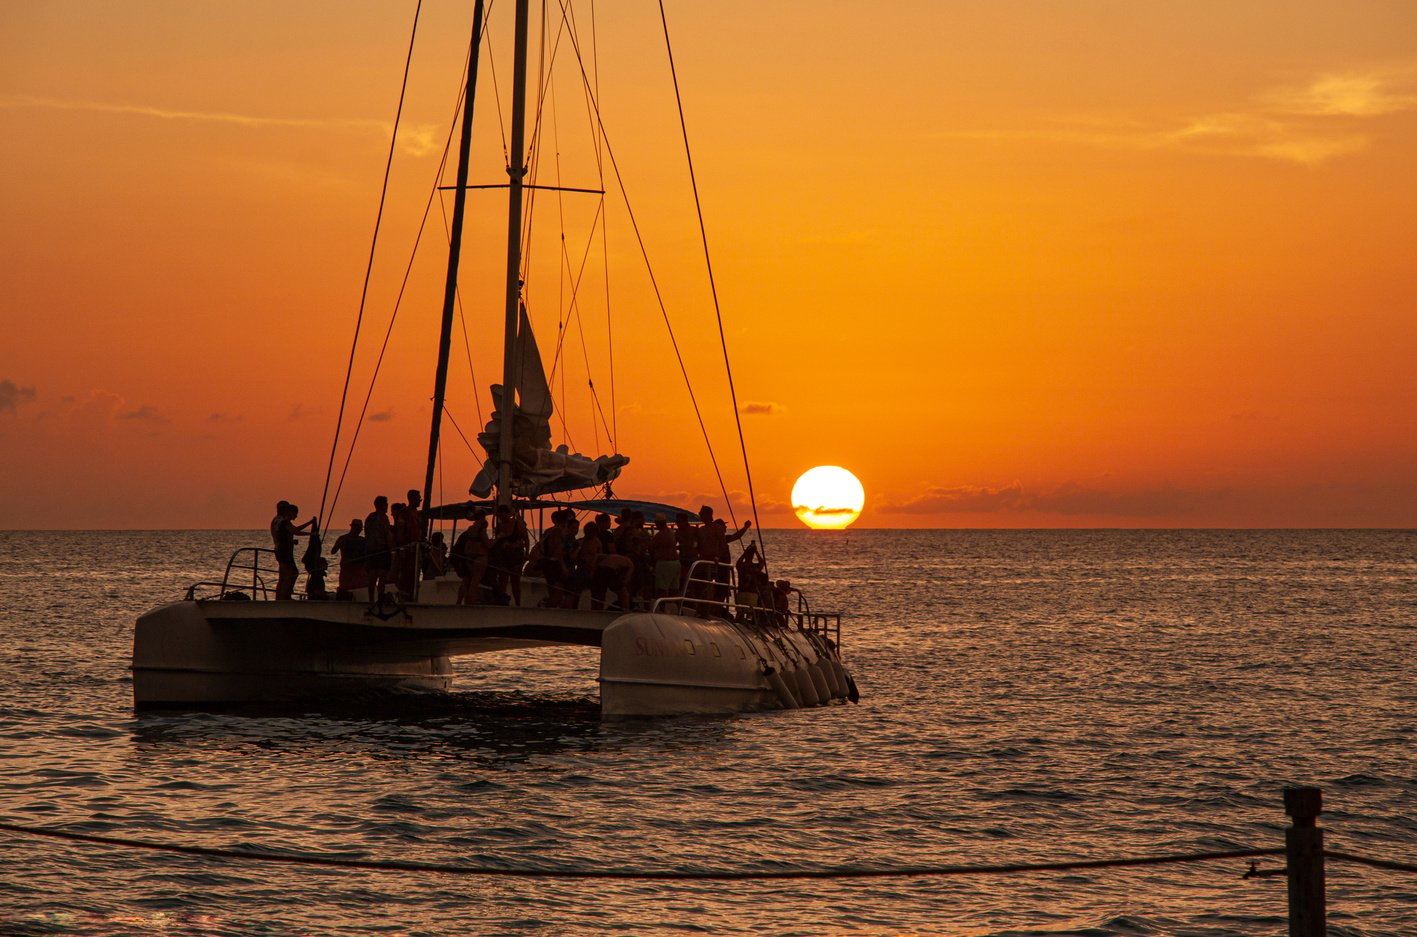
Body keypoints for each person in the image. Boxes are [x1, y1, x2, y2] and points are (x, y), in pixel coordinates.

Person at [270, 500, 314, 600]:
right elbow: (295, 531)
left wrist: (309, 523)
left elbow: (290, 531)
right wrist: (312, 534)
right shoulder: (284, 522)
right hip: (284, 551)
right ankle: (286, 596)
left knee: (283, 576)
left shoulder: (277, 520)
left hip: (279, 550)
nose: (295, 516)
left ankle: (280, 597)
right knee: (292, 573)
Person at [490, 505, 529, 606]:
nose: (501, 517)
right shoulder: (499, 526)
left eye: (502, 515)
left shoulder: (518, 524)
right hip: (503, 557)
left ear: (506, 514)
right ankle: (503, 602)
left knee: (515, 581)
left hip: (516, 556)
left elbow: (526, 539)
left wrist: (527, 554)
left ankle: (517, 604)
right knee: (503, 580)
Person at [451, 512, 490, 605]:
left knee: (466, 581)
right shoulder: (481, 530)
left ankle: (460, 601)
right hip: (474, 558)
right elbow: (488, 545)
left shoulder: (469, 530)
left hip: (466, 558)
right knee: (474, 581)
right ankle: (470, 603)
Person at [364, 495, 394, 602]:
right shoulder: (383, 517)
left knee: (372, 577)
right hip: (382, 551)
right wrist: (392, 551)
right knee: (382, 576)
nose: (387, 506)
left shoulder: (369, 518)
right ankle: (380, 597)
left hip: (371, 551)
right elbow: (387, 534)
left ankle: (371, 599)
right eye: (386, 504)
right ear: (383, 505)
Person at [329, 518, 367, 600]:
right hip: (347, 567)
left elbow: (366, 555)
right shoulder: (343, 538)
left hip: (359, 568)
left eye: (359, 529)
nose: (358, 530)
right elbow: (333, 551)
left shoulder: (362, 540)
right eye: (357, 528)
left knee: (360, 588)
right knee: (345, 588)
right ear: (352, 527)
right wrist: (339, 544)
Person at [650, 514, 680, 600]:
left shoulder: (660, 535)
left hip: (664, 563)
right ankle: (679, 610)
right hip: (676, 563)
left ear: (657, 523)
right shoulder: (671, 532)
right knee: (675, 590)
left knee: (661, 589)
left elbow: (651, 548)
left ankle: (661, 610)